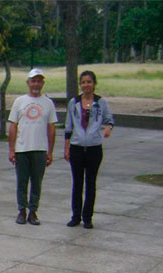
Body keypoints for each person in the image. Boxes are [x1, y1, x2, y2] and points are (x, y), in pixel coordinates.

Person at [64, 70, 114, 229]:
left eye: (89, 82)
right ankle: (75, 215)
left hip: (93, 148)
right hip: (77, 147)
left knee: (91, 183)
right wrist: (67, 148)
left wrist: (108, 128)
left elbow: (109, 120)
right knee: (77, 182)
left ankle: (87, 217)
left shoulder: (101, 103)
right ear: (80, 84)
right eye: (83, 82)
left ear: (94, 84)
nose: (86, 85)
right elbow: (68, 126)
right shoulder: (74, 103)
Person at [8, 68, 57, 226]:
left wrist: (50, 151)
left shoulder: (48, 103)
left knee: (37, 182)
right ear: (28, 83)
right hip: (22, 149)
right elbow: (13, 126)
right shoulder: (19, 101)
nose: (36, 84)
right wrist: (11, 149)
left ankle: (33, 211)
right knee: (22, 181)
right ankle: (21, 210)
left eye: (39, 81)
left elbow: (51, 128)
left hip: (39, 149)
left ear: (43, 83)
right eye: (33, 80)